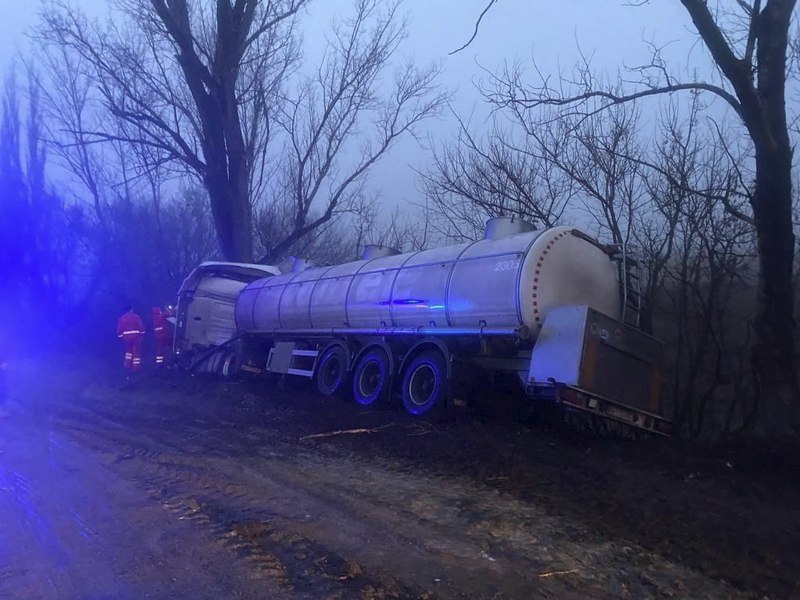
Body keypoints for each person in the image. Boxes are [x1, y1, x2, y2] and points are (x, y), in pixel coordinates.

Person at [117, 305, 145, 375]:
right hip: (136, 337)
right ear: (131, 310)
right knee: (136, 351)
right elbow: (140, 326)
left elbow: (119, 330)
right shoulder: (136, 317)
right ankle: (136, 367)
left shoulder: (121, 318)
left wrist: (121, 337)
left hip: (126, 338)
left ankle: (127, 365)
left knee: (128, 352)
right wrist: (142, 333)